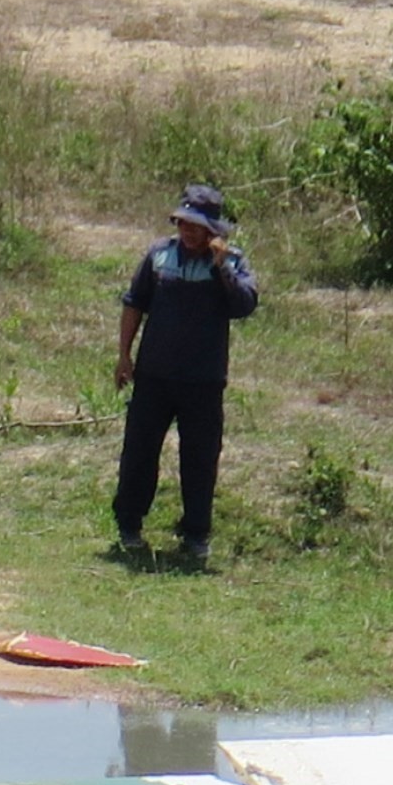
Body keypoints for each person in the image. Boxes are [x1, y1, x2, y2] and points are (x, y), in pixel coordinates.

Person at [111, 183, 260, 563]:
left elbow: (244, 306)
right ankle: (129, 526)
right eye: (183, 224)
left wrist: (221, 269)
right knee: (139, 453)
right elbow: (134, 304)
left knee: (200, 459)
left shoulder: (232, 261)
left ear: (213, 230)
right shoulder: (158, 256)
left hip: (203, 381)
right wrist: (124, 355)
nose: (188, 232)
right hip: (154, 376)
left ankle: (195, 534)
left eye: (196, 226)